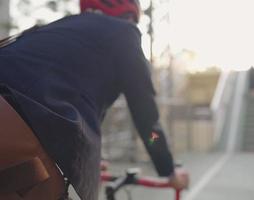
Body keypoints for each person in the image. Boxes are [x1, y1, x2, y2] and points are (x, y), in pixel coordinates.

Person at [0, 0, 189, 199]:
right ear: (129, 16)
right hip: (15, 125)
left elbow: (54, 88)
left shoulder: (58, 28)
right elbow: (148, 123)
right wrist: (168, 169)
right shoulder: (124, 33)